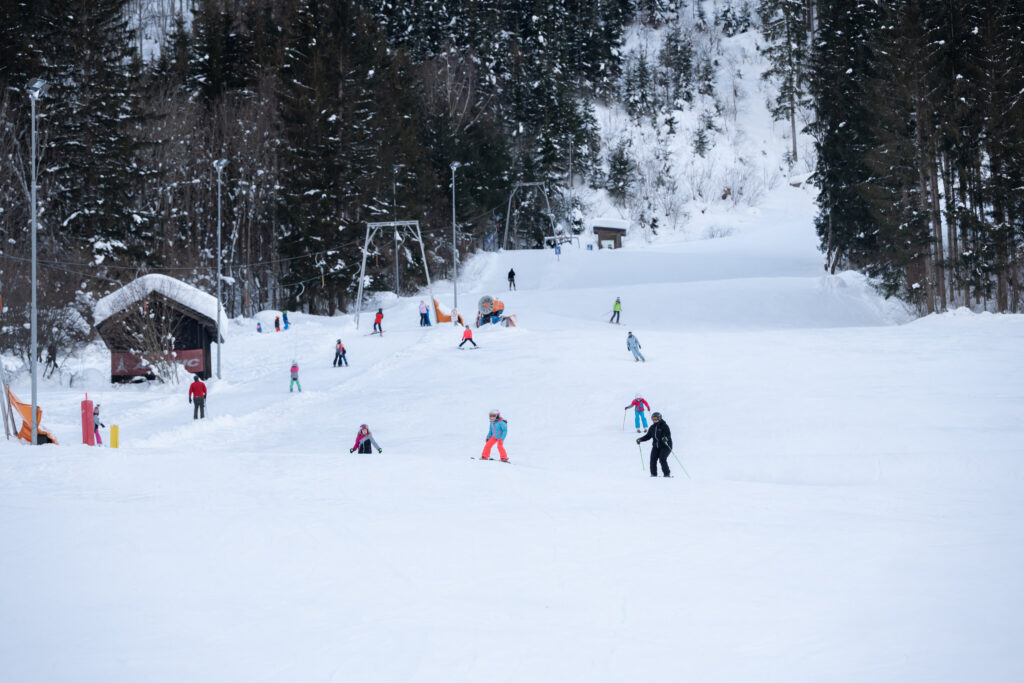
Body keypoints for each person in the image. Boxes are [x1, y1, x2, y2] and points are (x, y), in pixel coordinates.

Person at [637, 411, 672, 477]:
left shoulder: (664, 426)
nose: (654, 420)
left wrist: (665, 438)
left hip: (665, 446)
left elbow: (668, 434)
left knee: (662, 459)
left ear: (659, 418)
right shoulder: (652, 427)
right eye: (653, 419)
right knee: (652, 459)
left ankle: (667, 474)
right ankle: (653, 474)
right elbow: (648, 436)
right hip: (656, 447)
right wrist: (640, 439)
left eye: (655, 418)